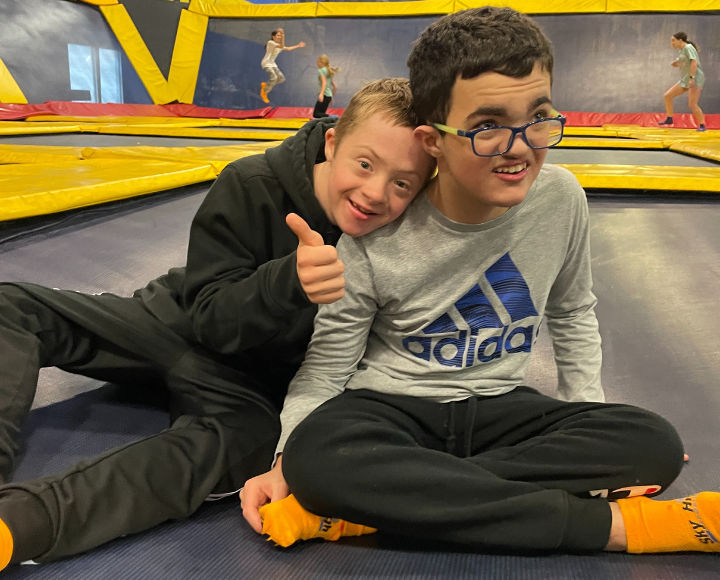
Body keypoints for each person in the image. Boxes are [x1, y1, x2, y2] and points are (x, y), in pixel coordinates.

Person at [242, 8, 720, 556]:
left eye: (538, 116)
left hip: (500, 405)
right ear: (433, 142)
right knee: (317, 458)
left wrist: (587, 410)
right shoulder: (372, 244)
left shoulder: (561, 199)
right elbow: (328, 365)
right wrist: (286, 459)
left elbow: (571, 312)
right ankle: (623, 529)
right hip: (394, 408)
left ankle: (374, 508)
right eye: (488, 126)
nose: (518, 146)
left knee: (651, 443)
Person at [0, 78, 434, 570]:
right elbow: (209, 317)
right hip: (176, 322)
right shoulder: (253, 184)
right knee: (14, 306)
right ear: (332, 142)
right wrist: (285, 284)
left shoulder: (403, 240)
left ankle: (19, 526)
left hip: (251, 386)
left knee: (241, 448)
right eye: (364, 164)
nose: (375, 193)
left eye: (403, 183)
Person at [658, 32, 706, 131]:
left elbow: (694, 62)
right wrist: (676, 63)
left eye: (673, 41)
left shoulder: (688, 47)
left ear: (680, 40)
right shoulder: (681, 51)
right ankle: (669, 118)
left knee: (692, 104)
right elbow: (683, 62)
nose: (672, 43)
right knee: (667, 96)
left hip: (695, 79)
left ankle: (702, 125)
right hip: (685, 79)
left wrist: (692, 78)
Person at [260, 28, 305, 104]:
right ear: (273, 36)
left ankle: (266, 85)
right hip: (266, 63)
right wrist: (283, 36)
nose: (279, 37)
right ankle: (264, 92)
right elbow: (282, 46)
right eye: (278, 35)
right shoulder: (270, 43)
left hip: (273, 64)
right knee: (274, 77)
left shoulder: (278, 45)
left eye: (280, 36)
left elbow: (288, 48)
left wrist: (298, 46)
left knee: (281, 79)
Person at [313, 55, 340, 119]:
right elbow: (335, 87)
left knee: (316, 114)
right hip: (328, 96)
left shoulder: (321, 71)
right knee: (321, 115)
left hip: (324, 95)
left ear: (321, 62)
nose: (317, 64)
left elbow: (324, 82)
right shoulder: (328, 71)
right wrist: (331, 98)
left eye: (317, 62)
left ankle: (333, 117)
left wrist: (321, 94)